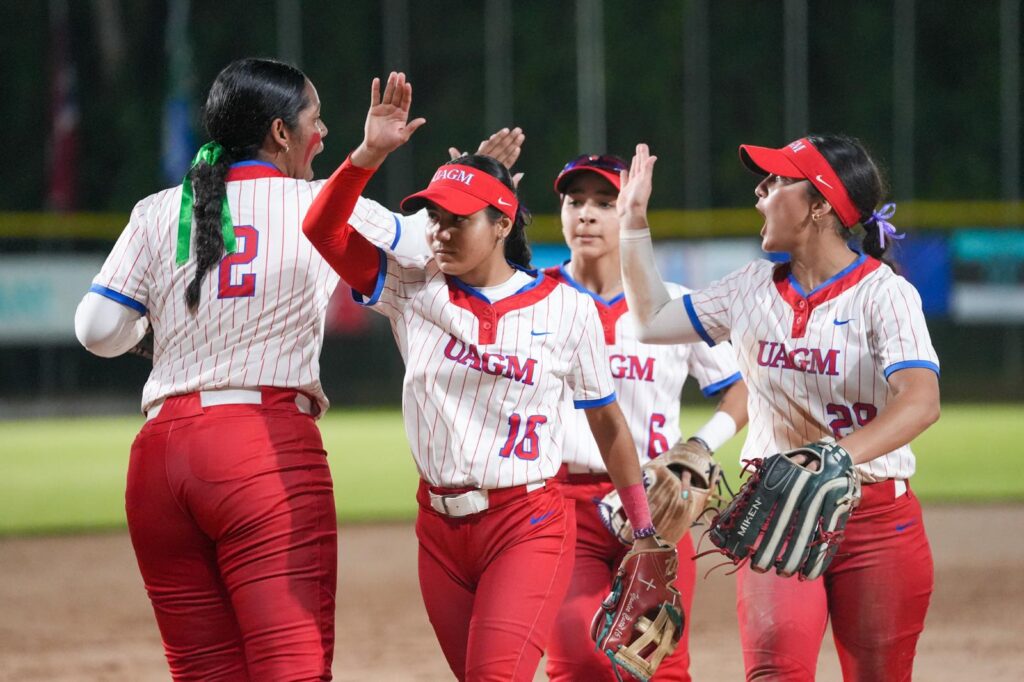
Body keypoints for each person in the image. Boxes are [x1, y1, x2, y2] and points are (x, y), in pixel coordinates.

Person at [73, 57, 515, 681]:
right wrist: (474, 182)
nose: (325, 131)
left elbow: (95, 331)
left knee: (203, 672)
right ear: (281, 133)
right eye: (315, 118)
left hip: (158, 459)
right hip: (261, 451)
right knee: (292, 668)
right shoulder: (313, 200)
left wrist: (161, 336)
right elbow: (423, 242)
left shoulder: (157, 209)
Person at [302, 72, 666, 682]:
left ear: (502, 224)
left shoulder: (564, 307)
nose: (440, 230)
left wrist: (645, 530)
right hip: (439, 531)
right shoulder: (409, 288)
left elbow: (607, 420)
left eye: (459, 219)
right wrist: (369, 153)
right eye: (434, 217)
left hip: (526, 524)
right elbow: (322, 228)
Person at [616, 139, 941, 681]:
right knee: (774, 673)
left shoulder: (884, 294)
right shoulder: (750, 287)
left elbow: (920, 400)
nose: (759, 192)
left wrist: (831, 457)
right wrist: (632, 221)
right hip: (778, 517)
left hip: (877, 521)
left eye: (775, 182)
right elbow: (651, 321)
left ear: (820, 204)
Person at [541, 154, 748, 681]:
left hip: (659, 508)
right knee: (578, 659)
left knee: (659, 661)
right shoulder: (535, 298)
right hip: (565, 503)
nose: (585, 215)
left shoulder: (670, 307)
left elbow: (741, 392)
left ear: (627, 211)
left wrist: (701, 445)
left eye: (604, 203)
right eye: (574, 202)